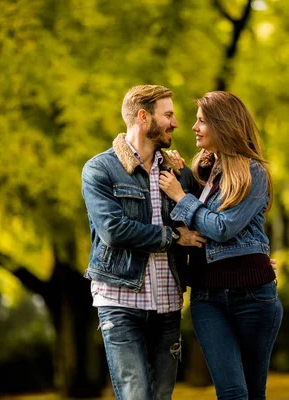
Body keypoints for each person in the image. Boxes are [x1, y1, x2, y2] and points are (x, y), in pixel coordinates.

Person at [80, 84, 206, 400]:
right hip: (120, 302)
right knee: (135, 395)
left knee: (161, 396)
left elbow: (207, 215)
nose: (176, 123)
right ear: (143, 117)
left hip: (167, 304)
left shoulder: (177, 172)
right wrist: (173, 236)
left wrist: (253, 253)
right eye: (168, 115)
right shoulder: (101, 169)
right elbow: (113, 230)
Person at [159, 91, 283, 400]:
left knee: (254, 393)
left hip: (254, 295)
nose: (193, 127)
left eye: (201, 121)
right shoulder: (204, 171)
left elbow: (223, 227)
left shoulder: (253, 173)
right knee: (231, 393)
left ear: (222, 125)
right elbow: (192, 222)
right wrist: (181, 175)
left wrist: (180, 196)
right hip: (207, 298)